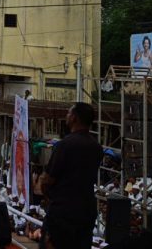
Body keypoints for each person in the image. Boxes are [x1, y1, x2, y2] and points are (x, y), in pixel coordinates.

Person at [39, 102, 102, 249]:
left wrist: (48, 195)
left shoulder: (65, 145)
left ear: (74, 118)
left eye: (68, 113)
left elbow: (48, 179)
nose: (66, 116)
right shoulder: (96, 147)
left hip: (63, 212)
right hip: (86, 211)